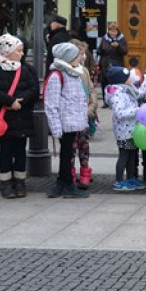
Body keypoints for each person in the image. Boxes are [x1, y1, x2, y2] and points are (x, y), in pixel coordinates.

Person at [0, 34, 39, 199]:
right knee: (5, 151)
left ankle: (20, 181)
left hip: (22, 117)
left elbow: (34, 89)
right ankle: (6, 183)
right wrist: (9, 101)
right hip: (4, 119)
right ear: (7, 52)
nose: (22, 54)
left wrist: (21, 101)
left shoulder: (27, 69)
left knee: (21, 151)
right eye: (19, 50)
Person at [43, 42, 90, 199]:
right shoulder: (57, 76)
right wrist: (56, 128)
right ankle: (66, 184)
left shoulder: (73, 73)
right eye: (77, 56)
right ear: (68, 58)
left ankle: (64, 182)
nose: (80, 58)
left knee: (67, 153)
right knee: (66, 153)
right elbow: (51, 104)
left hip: (74, 122)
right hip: (65, 123)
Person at [106, 67, 144, 192]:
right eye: (128, 78)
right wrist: (138, 111)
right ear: (120, 81)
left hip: (131, 129)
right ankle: (119, 181)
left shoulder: (127, 90)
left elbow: (140, 93)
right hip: (123, 131)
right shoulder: (118, 94)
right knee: (124, 156)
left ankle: (131, 178)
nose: (131, 79)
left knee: (132, 155)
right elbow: (120, 113)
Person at [70, 39, 99, 190]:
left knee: (84, 146)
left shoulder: (84, 71)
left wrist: (91, 108)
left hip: (85, 116)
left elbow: (92, 90)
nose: (83, 57)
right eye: (81, 54)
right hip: (71, 118)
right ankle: (71, 173)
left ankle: (85, 172)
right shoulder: (67, 72)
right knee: (71, 147)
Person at [97, 22, 128, 94]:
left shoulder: (122, 39)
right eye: (111, 31)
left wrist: (118, 47)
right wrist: (104, 49)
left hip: (117, 64)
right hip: (105, 64)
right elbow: (99, 50)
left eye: (114, 31)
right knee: (105, 82)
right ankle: (105, 101)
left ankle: (116, 98)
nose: (112, 33)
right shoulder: (105, 38)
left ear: (118, 31)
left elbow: (125, 51)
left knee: (116, 83)